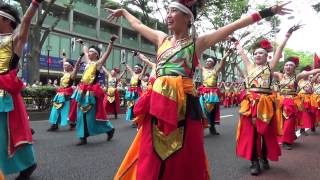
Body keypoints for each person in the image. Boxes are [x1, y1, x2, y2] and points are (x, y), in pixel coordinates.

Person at [108, 0, 291, 179]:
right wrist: (124, 12)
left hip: (184, 104)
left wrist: (268, 11)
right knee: (150, 148)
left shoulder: (197, 43)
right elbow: (138, 24)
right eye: (168, 11)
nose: (168, 15)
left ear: (188, 17)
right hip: (156, 102)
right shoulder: (161, 38)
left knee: (184, 153)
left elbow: (233, 26)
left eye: (173, 11)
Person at [234, 24, 298, 175]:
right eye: (255, 53)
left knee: (265, 133)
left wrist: (287, 35)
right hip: (249, 105)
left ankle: (264, 156)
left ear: (266, 56)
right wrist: (235, 41)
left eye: (261, 53)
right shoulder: (249, 67)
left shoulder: (270, 67)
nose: (257, 55)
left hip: (266, 105)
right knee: (252, 134)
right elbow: (241, 52)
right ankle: (254, 161)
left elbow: (280, 50)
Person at [0, 1, 44, 179]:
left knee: (9, 132)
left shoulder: (15, 39)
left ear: (5, 19)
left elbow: (25, 22)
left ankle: (28, 164)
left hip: (5, 93)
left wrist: (34, 4)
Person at [71, 35, 117, 145]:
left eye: (92, 52)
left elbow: (106, 54)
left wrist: (111, 42)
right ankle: (83, 136)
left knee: (91, 115)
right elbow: (85, 51)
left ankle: (109, 129)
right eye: (89, 52)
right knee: (81, 114)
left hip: (91, 92)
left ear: (96, 54)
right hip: (82, 90)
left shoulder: (98, 63)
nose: (89, 54)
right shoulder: (88, 62)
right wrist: (82, 43)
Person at [274, 56, 320, 150]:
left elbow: (311, 72)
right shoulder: (280, 76)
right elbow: (269, 69)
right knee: (280, 122)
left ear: (294, 68)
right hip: (280, 101)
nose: (288, 67)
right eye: (286, 65)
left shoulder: (297, 77)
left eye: (291, 65)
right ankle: (285, 137)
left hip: (291, 102)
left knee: (290, 121)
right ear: (283, 67)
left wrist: (318, 70)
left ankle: (286, 141)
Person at [47, 52, 83, 131]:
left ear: (70, 67)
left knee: (67, 110)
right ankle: (54, 124)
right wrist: (64, 56)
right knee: (55, 108)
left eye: (66, 65)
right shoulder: (65, 73)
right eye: (64, 65)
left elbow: (76, 67)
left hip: (67, 95)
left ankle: (72, 123)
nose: (64, 66)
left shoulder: (72, 75)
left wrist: (80, 58)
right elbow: (64, 62)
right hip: (60, 94)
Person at [198, 51, 231, 135]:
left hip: (213, 93)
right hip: (204, 93)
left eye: (210, 61)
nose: (208, 62)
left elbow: (221, 64)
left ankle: (212, 128)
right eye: (207, 61)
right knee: (203, 110)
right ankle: (202, 129)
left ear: (213, 63)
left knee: (212, 111)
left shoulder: (216, 70)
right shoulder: (203, 70)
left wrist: (225, 56)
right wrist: (195, 50)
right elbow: (197, 61)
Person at [297, 65, 317, 135]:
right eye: (303, 73)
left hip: (310, 99)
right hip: (302, 98)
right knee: (303, 114)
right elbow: (297, 90)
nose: (304, 75)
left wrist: (317, 73)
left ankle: (312, 125)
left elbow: (314, 81)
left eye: (305, 73)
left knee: (311, 113)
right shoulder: (299, 81)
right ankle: (302, 129)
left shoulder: (310, 80)